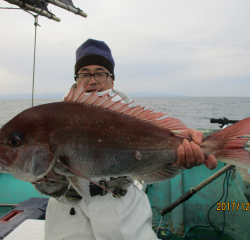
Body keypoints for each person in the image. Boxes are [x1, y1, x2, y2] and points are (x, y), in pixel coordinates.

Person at [43, 39, 218, 240]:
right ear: (76, 79)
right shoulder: (55, 119)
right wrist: (42, 176)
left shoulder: (131, 118)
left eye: (100, 72)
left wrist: (181, 147)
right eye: (84, 73)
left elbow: (149, 165)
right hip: (68, 219)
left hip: (125, 213)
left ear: (112, 80)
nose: (92, 80)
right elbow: (50, 185)